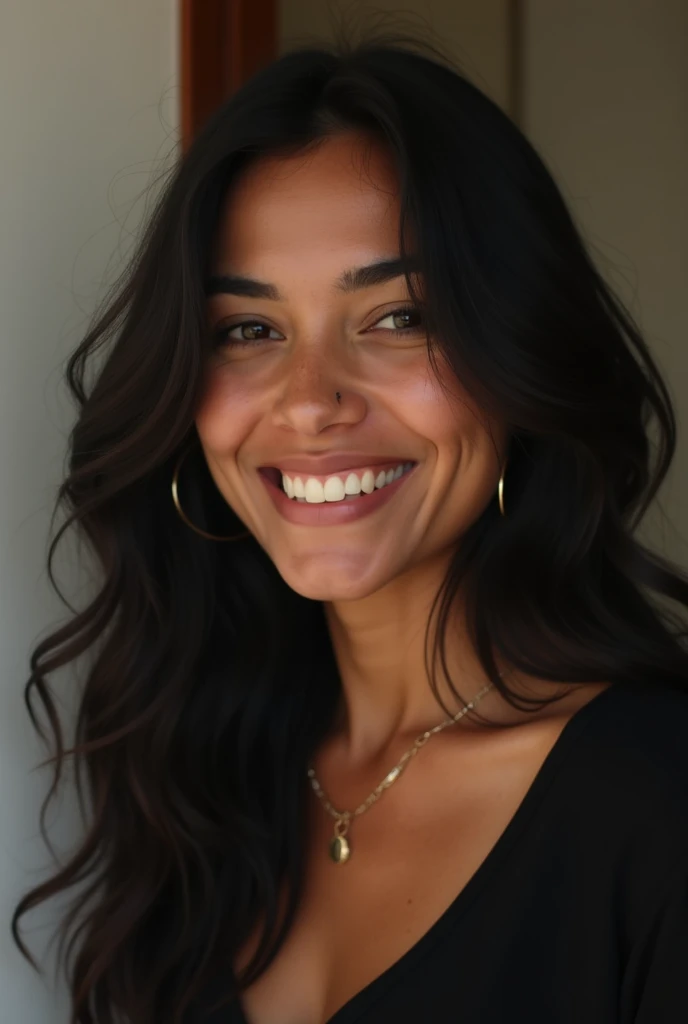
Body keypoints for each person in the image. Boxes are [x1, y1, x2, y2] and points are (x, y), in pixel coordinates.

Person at [11, 34, 688, 1024]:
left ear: (519, 361)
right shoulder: (201, 778)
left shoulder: (657, 803)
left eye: (398, 317)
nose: (310, 401)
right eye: (249, 331)